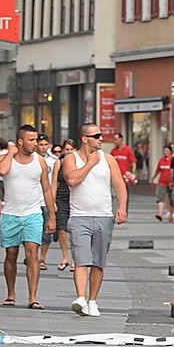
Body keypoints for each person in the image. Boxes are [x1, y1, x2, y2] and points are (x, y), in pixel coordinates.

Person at [64, 123, 128, 317]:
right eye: (97, 136)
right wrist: (90, 164)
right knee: (81, 259)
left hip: (103, 215)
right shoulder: (70, 158)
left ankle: (93, 300)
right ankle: (81, 298)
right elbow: (72, 180)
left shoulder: (108, 160)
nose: (101, 139)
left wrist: (122, 207)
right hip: (79, 216)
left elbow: (119, 184)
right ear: (85, 139)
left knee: (98, 261)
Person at [0, 125, 55, 310]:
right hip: (10, 214)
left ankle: (32, 297)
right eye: (31, 140)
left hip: (33, 213)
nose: (35, 143)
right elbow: (2, 171)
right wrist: (11, 152)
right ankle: (11, 294)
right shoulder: (4, 159)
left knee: (32, 254)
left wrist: (52, 217)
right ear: (20, 142)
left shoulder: (40, 162)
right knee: (11, 254)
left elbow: (46, 189)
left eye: (36, 140)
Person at [50, 139, 76, 271]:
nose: (69, 152)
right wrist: (52, 201)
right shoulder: (58, 163)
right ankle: (65, 256)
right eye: (67, 149)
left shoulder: (79, 163)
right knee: (61, 228)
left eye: (72, 149)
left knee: (75, 231)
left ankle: (75, 259)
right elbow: (54, 183)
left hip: (76, 198)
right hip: (61, 197)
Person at [35, 134, 59, 271]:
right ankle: (33, 255)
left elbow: (54, 182)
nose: (43, 147)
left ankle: (42, 258)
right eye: (41, 144)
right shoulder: (31, 159)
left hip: (46, 200)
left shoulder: (54, 161)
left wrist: (53, 201)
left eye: (45, 144)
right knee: (34, 231)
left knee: (47, 231)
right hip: (33, 200)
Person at [152, 144, 174, 222]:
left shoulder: (173, 160)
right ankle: (160, 214)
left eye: (167, 151)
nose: (165, 152)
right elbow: (158, 170)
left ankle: (171, 215)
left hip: (171, 182)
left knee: (171, 199)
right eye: (164, 151)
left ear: (170, 152)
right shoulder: (161, 160)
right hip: (162, 182)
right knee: (161, 198)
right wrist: (153, 178)